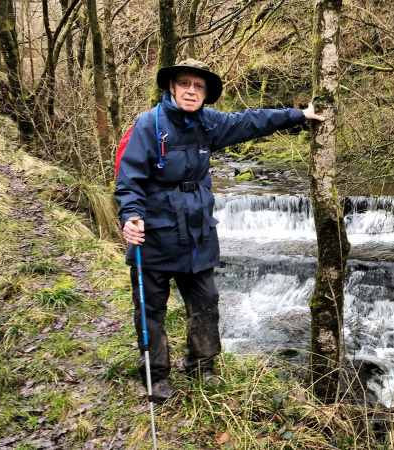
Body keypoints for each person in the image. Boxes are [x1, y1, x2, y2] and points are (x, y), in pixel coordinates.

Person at [115, 59, 324, 402]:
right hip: (154, 232)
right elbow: (129, 179)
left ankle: (202, 365)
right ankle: (156, 376)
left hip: (198, 232)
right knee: (150, 307)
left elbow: (250, 122)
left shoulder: (209, 123)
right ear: (171, 87)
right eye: (185, 84)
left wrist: (298, 115)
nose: (191, 91)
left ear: (206, 94)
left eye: (199, 87)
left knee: (207, 299)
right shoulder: (148, 125)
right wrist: (131, 216)